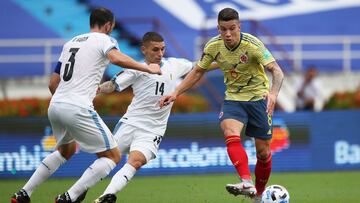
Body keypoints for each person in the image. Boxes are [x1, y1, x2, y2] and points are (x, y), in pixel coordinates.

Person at [10, 7, 161, 203]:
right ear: (108, 25)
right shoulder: (105, 40)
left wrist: (65, 102)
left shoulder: (70, 43)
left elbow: (52, 83)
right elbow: (116, 58)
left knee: (65, 151)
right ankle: (69, 197)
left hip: (56, 105)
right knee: (112, 156)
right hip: (78, 106)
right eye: (112, 27)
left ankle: (24, 193)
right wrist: (146, 68)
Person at [159, 7, 284, 203]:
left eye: (232, 28)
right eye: (223, 29)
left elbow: (276, 71)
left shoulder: (253, 45)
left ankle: (259, 196)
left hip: (258, 98)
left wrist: (274, 94)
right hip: (233, 99)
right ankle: (245, 181)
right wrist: (175, 92)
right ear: (218, 28)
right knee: (229, 131)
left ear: (239, 26)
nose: (227, 34)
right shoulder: (213, 46)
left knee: (263, 152)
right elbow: (198, 72)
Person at [92, 31, 209, 203]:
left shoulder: (174, 65)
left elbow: (199, 65)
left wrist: (223, 63)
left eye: (162, 49)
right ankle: (77, 191)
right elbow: (112, 85)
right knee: (107, 160)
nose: (160, 54)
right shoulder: (135, 69)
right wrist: (97, 89)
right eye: (155, 50)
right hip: (131, 123)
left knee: (136, 161)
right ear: (144, 50)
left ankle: (105, 197)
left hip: (153, 129)